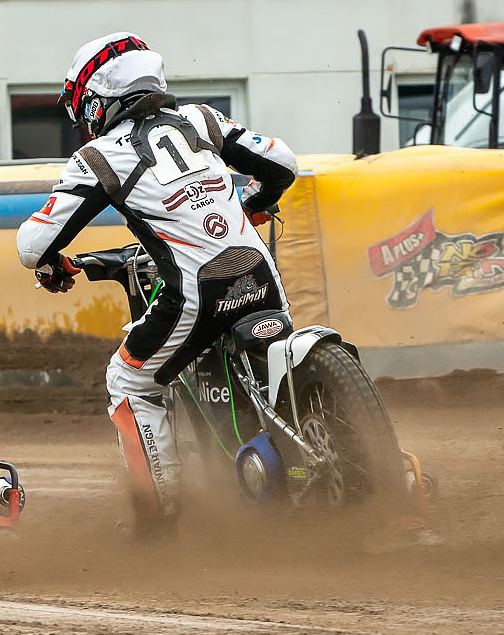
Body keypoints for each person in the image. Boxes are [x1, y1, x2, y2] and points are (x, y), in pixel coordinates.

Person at [16, 32, 299, 529]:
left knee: (128, 378)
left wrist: (52, 261)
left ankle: (158, 517)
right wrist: (255, 202)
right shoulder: (203, 119)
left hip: (198, 294)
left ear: (97, 99)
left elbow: (32, 245)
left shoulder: (100, 156)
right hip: (261, 273)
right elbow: (283, 164)